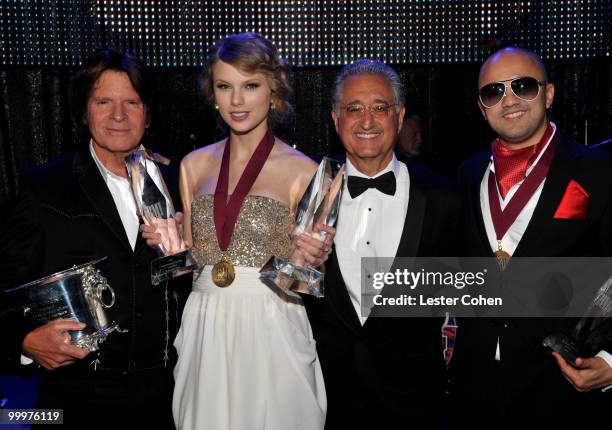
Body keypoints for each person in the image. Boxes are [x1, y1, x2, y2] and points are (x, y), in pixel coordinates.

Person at [0, 49, 189, 428]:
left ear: (147, 114)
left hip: (168, 399)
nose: (118, 115)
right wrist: (23, 341)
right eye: (103, 102)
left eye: (131, 102)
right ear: (84, 113)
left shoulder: (180, 183)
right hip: (76, 399)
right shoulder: (45, 187)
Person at [163, 33, 329, 430]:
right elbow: (188, 264)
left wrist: (310, 261)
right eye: (225, 87)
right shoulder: (192, 165)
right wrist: (167, 248)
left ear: (273, 90)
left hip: (272, 322)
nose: (236, 101)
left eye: (250, 85)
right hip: (205, 321)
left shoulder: (306, 172)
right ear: (213, 94)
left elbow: (306, 280)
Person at [452, 46, 612, 427]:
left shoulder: (600, 172)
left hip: (562, 384)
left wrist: (611, 360)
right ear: (481, 107)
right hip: (475, 387)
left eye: (522, 86)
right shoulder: (468, 173)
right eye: (494, 92)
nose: (509, 100)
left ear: (549, 93)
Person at [300, 59, 461, 429]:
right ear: (336, 119)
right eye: (353, 109)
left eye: (380, 108)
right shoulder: (306, 196)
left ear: (400, 116)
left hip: (416, 404)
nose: (367, 121)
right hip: (327, 402)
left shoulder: (444, 198)